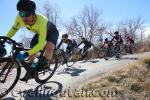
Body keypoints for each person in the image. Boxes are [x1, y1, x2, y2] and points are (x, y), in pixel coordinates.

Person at [6, 0, 59, 82]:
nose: (23, 18)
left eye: (26, 14)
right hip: (40, 33)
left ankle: (46, 64)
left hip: (51, 32)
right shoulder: (19, 18)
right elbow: (14, 29)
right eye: (21, 14)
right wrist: (5, 38)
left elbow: (41, 44)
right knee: (32, 51)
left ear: (33, 13)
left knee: (49, 47)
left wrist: (26, 54)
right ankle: (31, 71)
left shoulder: (41, 21)